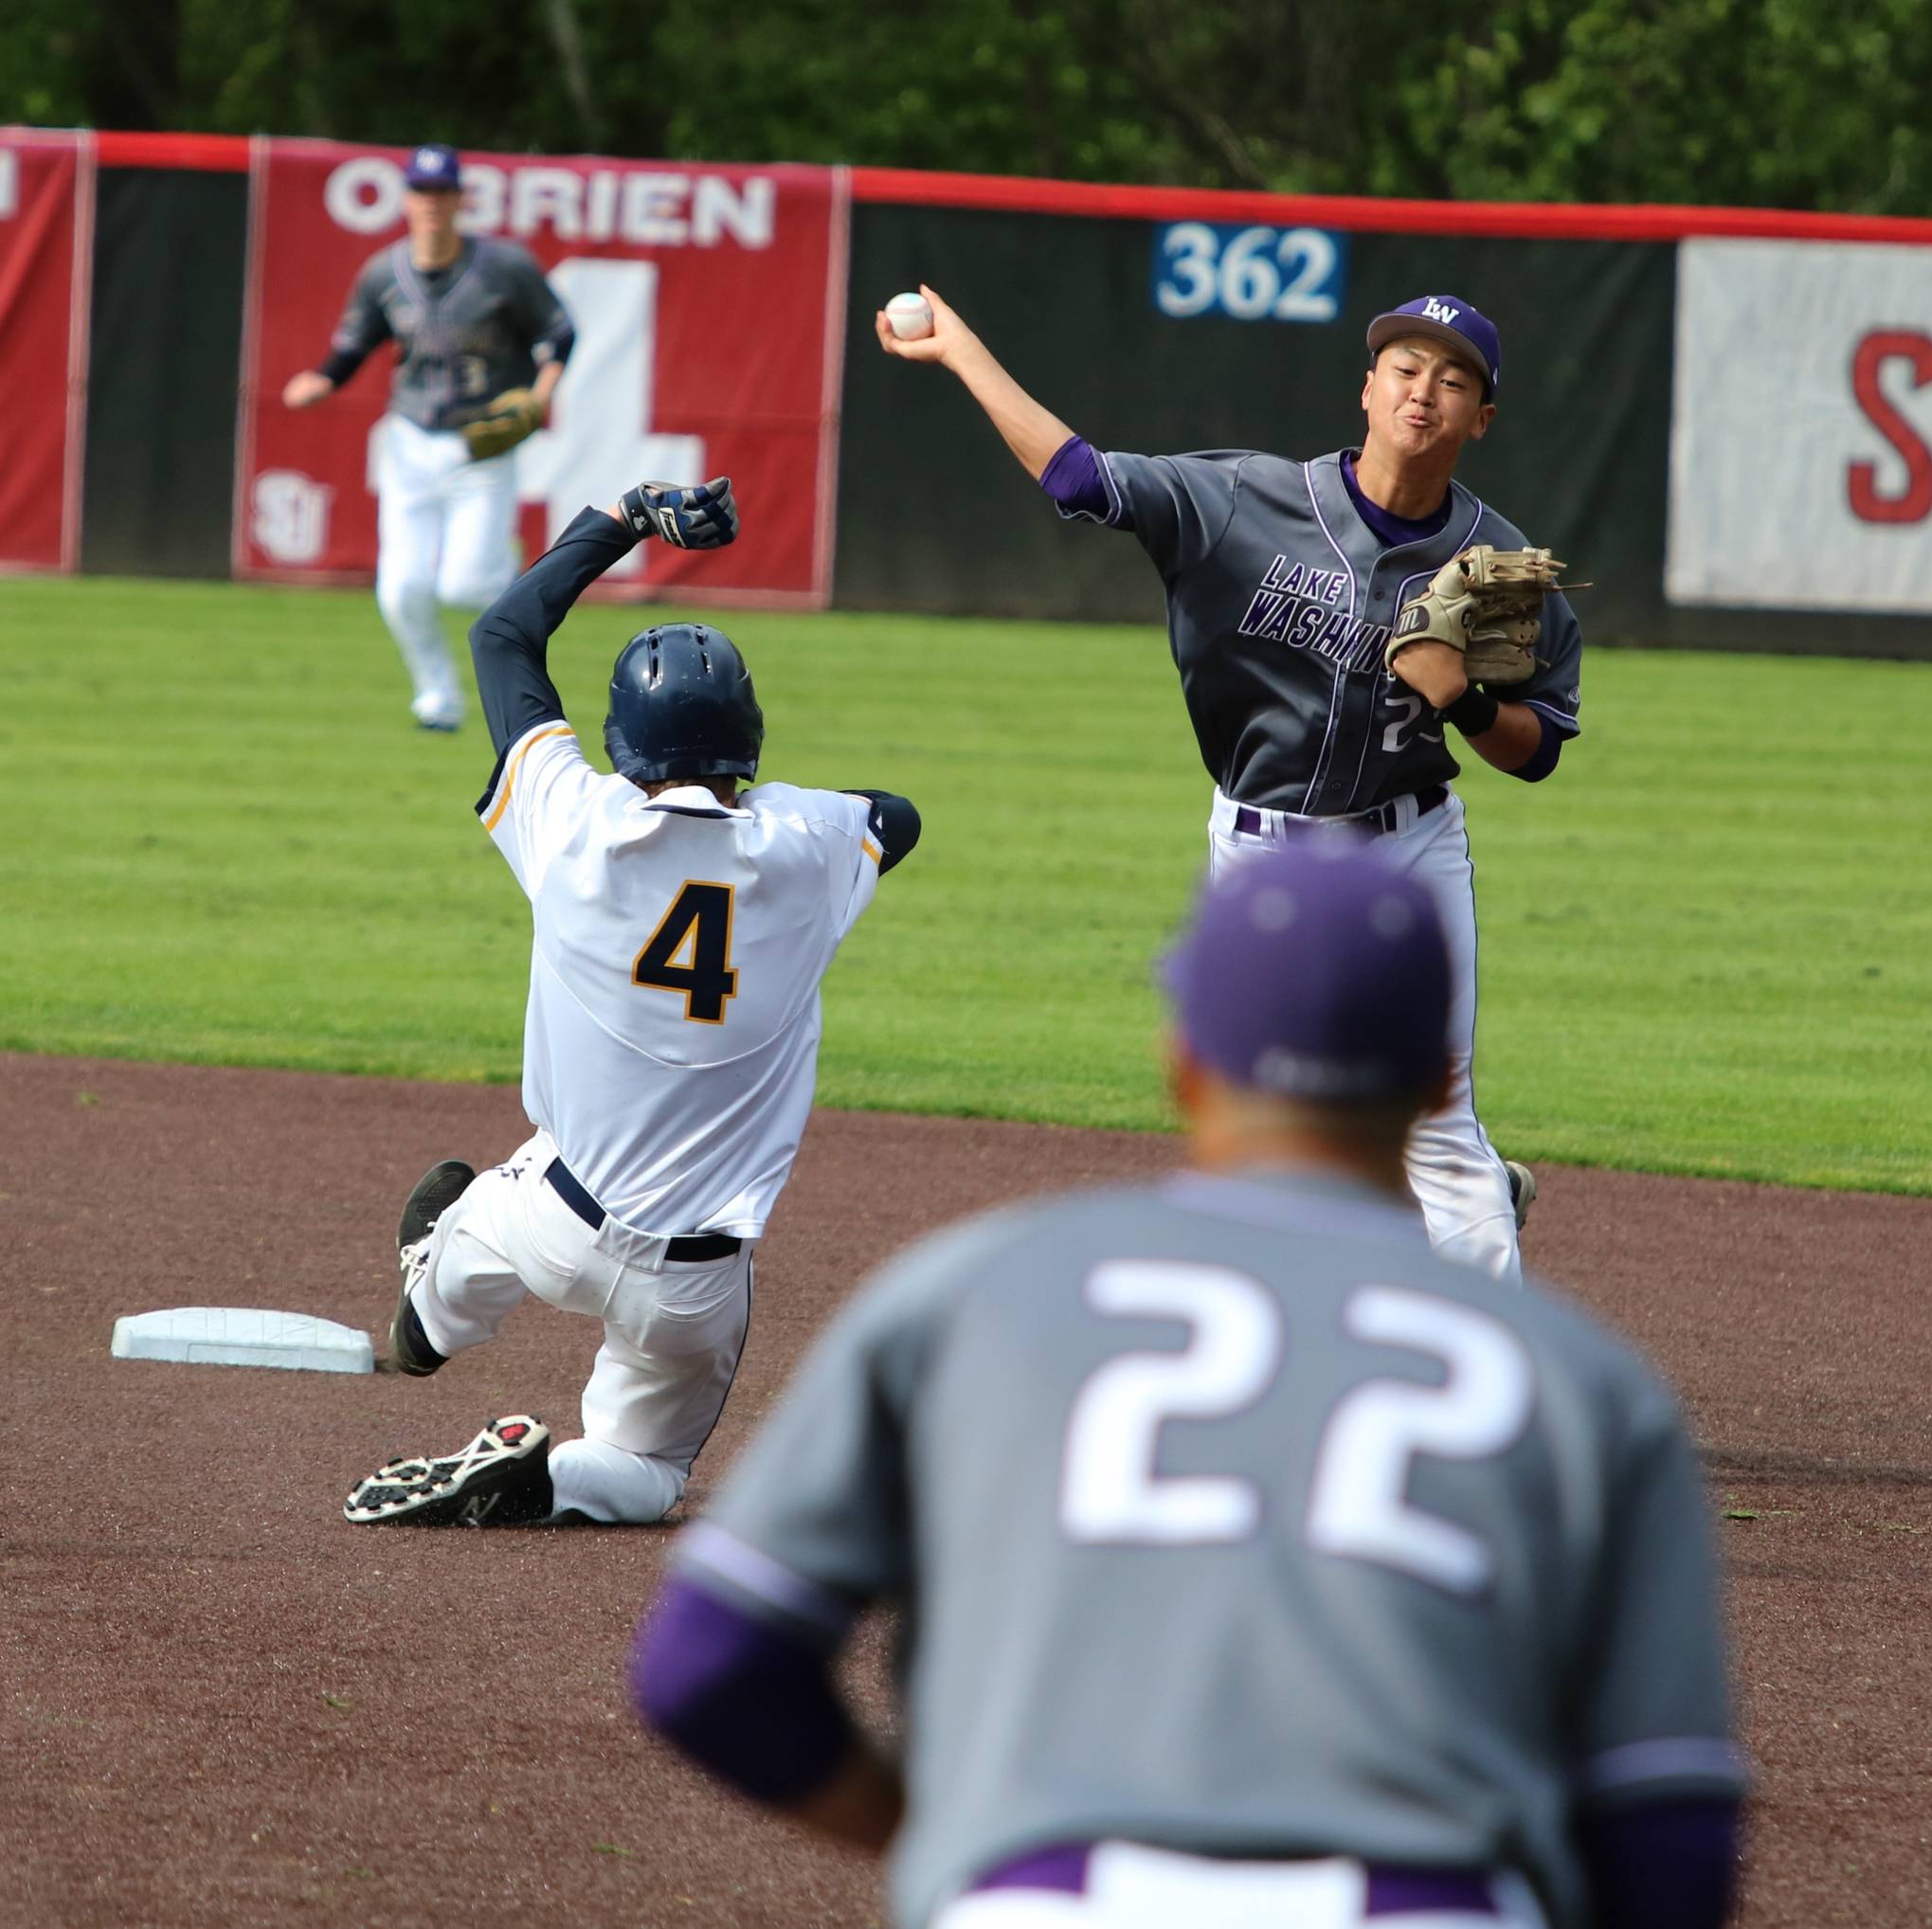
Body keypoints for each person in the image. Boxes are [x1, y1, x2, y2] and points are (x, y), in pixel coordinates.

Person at [632, 841, 1745, 1929]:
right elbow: (1670, 1837)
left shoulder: (973, 1289)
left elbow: (709, 1663)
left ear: (1182, 1058)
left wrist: (941, 1830)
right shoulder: (1583, 1377)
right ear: (1438, 1077)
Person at [876, 287, 1580, 1286]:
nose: (1423, 391)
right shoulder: (1244, 499)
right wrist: (961, 352)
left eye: (1452, 378)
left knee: (1435, 1114)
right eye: (1405, 368)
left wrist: (1463, 701)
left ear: (1480, 417)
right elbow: (1080, 480)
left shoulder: (1498, 568)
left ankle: (1497, 1370)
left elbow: (1536, 747)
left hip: (1407, 843)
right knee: (1271, 1106)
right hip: (1262, 844)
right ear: (1368, 387)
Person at [340, 473, 921, 1527]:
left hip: (550, 1222)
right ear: (749, 733)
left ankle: (430, 1309)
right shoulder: (810, 844)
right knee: (648, 1472)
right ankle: (551, 1473)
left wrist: (622, 518)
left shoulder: (572, 822)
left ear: (619, 739)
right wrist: (777, 802)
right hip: (694, 1284)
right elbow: (898, 815)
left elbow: (504, 637)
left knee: (500, 1192)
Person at [283, 142, 576, 732]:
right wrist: (323, 379)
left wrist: (543, 392)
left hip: (480, 446)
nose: (433, 202)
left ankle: (500, 565)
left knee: (467, 588)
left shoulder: (503, 267)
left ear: (460, 198)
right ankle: (437, 698)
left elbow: (561, 333)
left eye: (443, 191)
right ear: (407, 200)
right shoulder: (383, 271)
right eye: (422, 191)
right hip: (410, 441)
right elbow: (355, 342)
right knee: (402, 588)